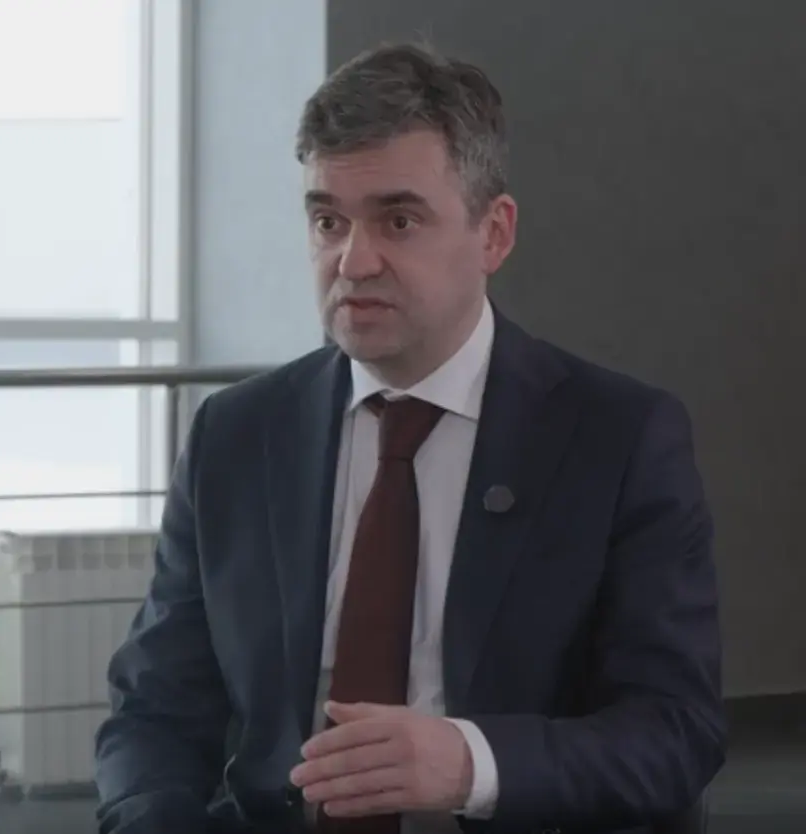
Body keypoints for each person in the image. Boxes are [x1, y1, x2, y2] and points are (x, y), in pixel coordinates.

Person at [94, 42, 725, 834]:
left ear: (493, 235)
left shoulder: (619, 438)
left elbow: (674, 732)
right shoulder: (237, 434)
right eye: (328, 221)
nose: (353, 262)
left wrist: (468, 764)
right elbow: (154, 708)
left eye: (399, 220)